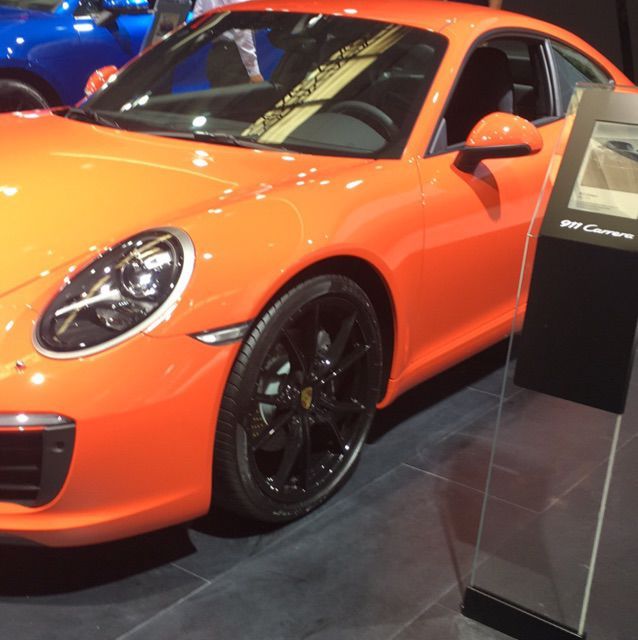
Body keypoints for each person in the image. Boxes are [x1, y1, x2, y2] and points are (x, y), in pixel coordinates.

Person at [193, 0, 264, 83]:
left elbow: (197, 19)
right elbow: (242, 28)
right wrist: (254, 71)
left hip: (216, 53)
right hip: (235, 58)